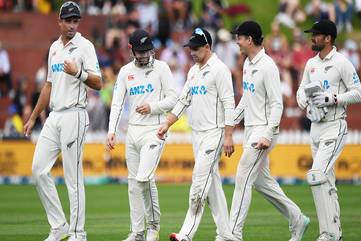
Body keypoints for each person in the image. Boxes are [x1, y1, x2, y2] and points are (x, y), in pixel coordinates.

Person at [23, 2, 102, 241]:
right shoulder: (54, 48)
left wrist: (78, 72)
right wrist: (34, 115)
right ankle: (59, 226)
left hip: (75, 115)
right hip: (54, 115)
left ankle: (79, 234)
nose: (71, 25)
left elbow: (98, 83)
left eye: (75, 21)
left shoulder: (85, 46)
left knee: (72, 177)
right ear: (59, 21)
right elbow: (48, 85)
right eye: (67, 20)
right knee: (38, 170)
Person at [229, 20, 310, 241]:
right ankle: (297, 218)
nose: (237, 41)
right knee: (261, 182)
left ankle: (232, 234)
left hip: (265, 131)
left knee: (243, 176)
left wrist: (266, 134)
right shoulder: (247, 64)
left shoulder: (268, 66)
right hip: (251, 130)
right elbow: (246, 99)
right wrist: (230, 123)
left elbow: (277, 104)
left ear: (250, 39)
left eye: (239, 37)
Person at [157, 27, 236, 241]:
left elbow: (230, 103)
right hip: (197, 134)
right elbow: (183, 100)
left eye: (196, 48)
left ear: (207, 47)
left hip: (215, 133)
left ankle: (186, 234)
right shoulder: (194, 71)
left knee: (198, 183)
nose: (192, 52)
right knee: (213, 189)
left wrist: (228, 135)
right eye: (190, 48)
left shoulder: (220, 70)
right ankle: (227, 235)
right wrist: (167, 123)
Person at [106, 29, 177, 241]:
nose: (144, 55)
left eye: (147, 51)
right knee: (133, 183)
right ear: (131, 50)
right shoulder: (125, 71)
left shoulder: (162, 68)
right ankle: (137, 232)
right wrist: (111, 131)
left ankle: (153, 227)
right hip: (133, 131)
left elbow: (174, 98)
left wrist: (153, 107)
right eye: (140, 52)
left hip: (155, 130)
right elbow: (117, 103)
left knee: (144, 178)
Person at [297, 19, 361, 241]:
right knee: (327, 182)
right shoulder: (310, 64)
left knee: (316, 175)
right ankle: (335, 235)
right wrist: (306, 104)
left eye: (316, 34)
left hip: (335, 127)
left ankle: (327, 234)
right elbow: (300, 93)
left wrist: (333, 98)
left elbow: (358, 93)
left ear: (328, 38)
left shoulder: (342, 62)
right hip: (315, 129)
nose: (312, 38)